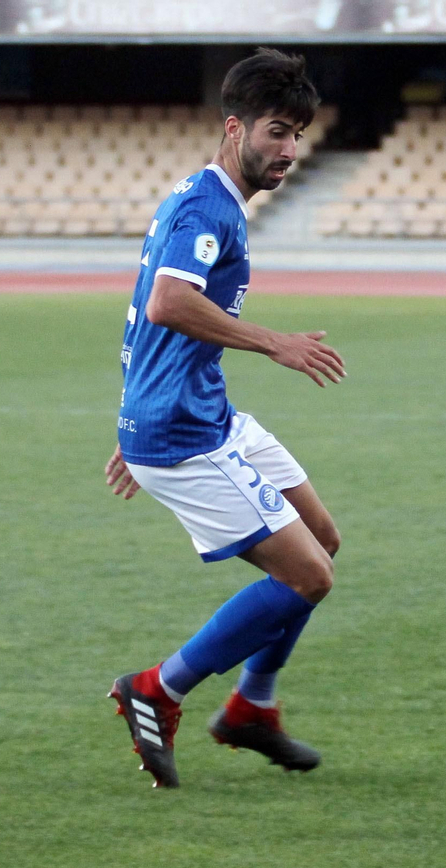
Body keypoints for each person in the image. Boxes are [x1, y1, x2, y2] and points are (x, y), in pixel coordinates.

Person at [102, 48, 346, 789]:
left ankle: (252, 708)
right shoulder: (206, 207)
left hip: (198, 410)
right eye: (277, 131)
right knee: (308, 575)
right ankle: (157, 689)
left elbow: (148, 313)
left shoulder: (208, 198)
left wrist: (132, 413)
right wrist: (275, 342)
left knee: (322, 543)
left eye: (298, 134)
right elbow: (165, 302)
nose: (290, 150)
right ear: (235, 127)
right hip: (181, 430)